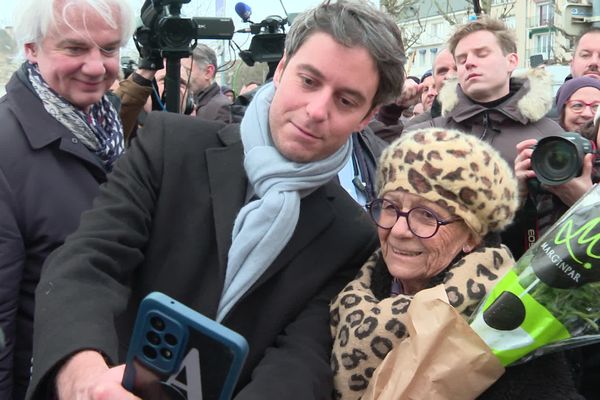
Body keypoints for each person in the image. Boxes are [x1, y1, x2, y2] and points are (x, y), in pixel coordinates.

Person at [26, 1, 406, 399]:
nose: (315, 110)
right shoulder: (169, 146)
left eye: (346, 101)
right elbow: (87, 264)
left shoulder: (351, 235)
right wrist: (84, 378)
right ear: (281, 69)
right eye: (308, 81)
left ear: (367, 117)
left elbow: (301, 360)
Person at [330, 128, 584, 400]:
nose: (400, 230)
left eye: (426, 215)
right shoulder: (351, 283)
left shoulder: (503, 323)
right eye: (391, 207)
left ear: (472, 236)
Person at [0, 0, 134, 398]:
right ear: (31, 49)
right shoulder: (6, 148)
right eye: (74, 49)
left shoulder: (111, 129)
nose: (96, 67)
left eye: (109, 49)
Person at [183, 43, 232, 122]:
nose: (182, 77)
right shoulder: (190, 104)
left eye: (187, 71)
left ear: (208, 72)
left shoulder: (221, 108)